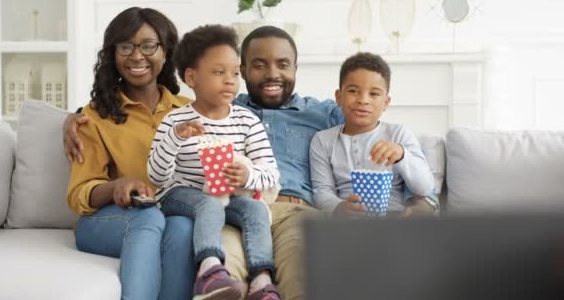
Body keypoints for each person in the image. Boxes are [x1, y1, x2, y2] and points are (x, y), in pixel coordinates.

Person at [65, 25, 440, 300]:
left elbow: (377, 127)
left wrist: (425, 201)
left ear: (296, 68)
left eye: (283, 64)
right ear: (241, 70)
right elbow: (167, 111)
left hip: (297, 210)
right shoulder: (224, 109)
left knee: (301, 271)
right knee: (223, 269)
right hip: (235, 207)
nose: (272, 73)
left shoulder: (326, 112)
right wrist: (75, 116)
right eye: (258, 65)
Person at [65, 7, 196, 300]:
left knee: (183, 227)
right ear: (113, 54)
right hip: (105, 223)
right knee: (148, 218)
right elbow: (78, 195)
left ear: (166, 52)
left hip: (168, 214)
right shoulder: (94, 117)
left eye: (148, 45)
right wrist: (117, 187)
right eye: (125, 46)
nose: (137, 56)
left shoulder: (190, 111)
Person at [147, 24, 281, 300]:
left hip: (227, 197)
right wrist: (174, 138)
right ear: (192, 77)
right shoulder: (175, 121)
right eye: (219, 73)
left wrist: (247, 176)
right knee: (208, 204)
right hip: (181, 194)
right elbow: (156, 177)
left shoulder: (247, 121)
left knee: (255, 210)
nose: (231, 80)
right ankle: (210, 271)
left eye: (235, 72)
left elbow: (270, 173)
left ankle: (261, 281)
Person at [309, 52, 438, 219]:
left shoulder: (398, 134)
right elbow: (321, 191)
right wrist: (338, 207)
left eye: (374, 94)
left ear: (386, 102)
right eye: (353, 91)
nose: (363, 100)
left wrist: (401, 155)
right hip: (348, 222)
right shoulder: (323, 140)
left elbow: (424, 187)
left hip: (395, 219)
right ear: (338, 97)